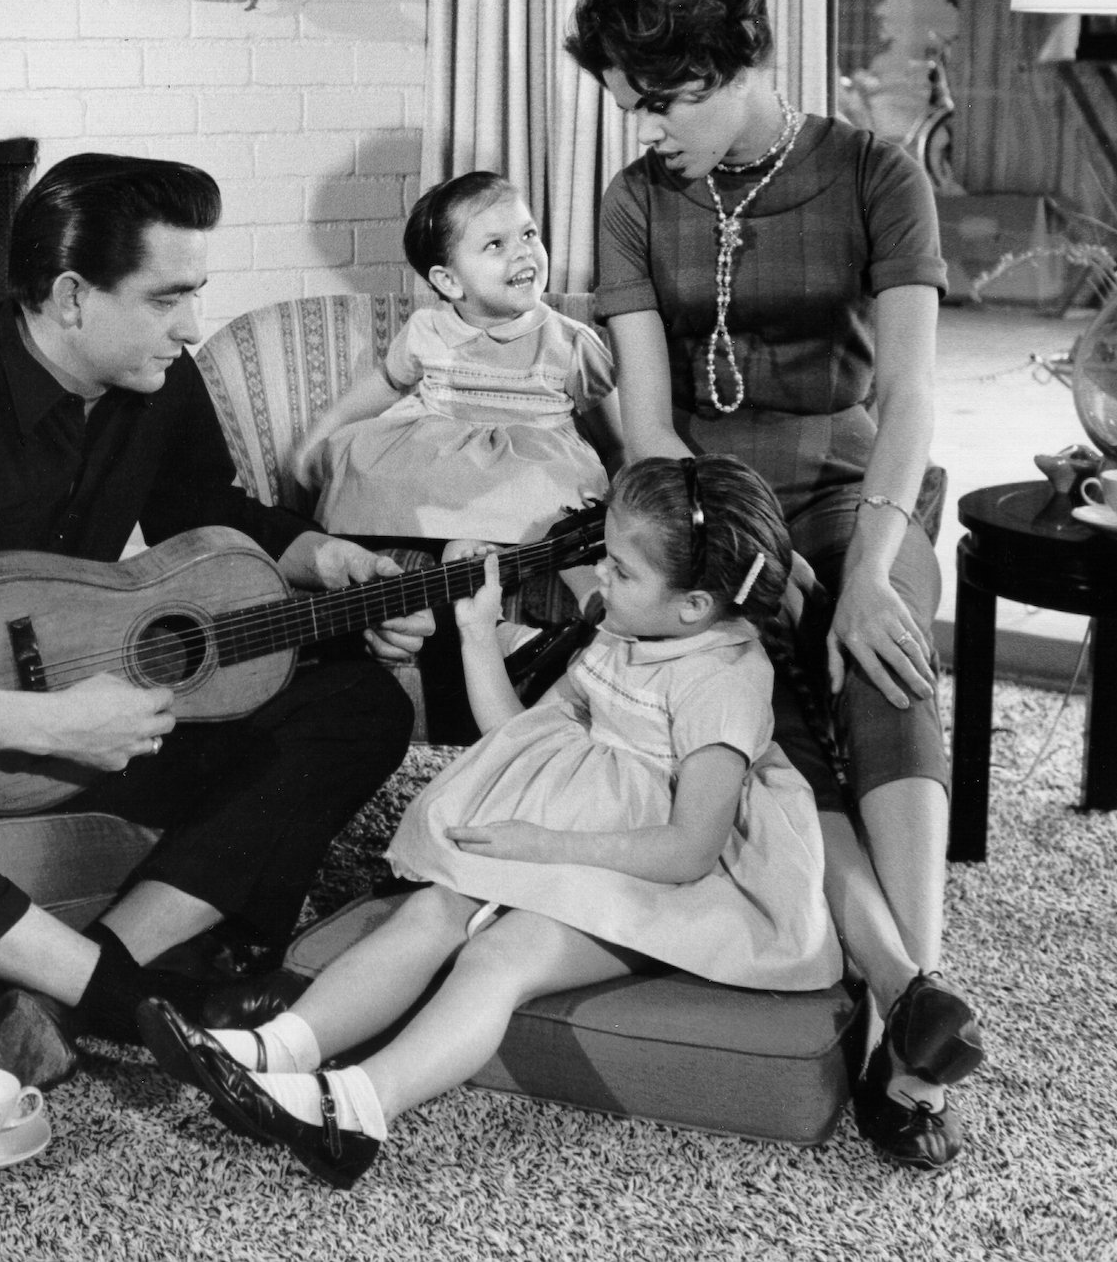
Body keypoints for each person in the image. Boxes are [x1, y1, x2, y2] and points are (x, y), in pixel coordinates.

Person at [0, 153, 433, 1089]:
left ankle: (50, 982)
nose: (191, 328)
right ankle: (116, 992)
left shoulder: (158, 380)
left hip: (107, 729)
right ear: (69, 296)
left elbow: (208, 514)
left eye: (196, 295)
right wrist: (48, 723)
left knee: (361, 703)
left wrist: (321, 560)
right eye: (166, 298)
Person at [563, 0, 984, 1170]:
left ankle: (906, 999)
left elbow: (909, 394)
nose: (644, 125)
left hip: (862, 484)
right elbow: (643, 416)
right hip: (701, 500)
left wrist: (861, 568)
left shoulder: (874, 172)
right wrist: (727, 552)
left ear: (742, 58)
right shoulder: (636, 197)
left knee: (880, 655)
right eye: (632, 101)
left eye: (663, 98)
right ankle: (907, 1014)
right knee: (760, 704)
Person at [138, 455, 837, 1189]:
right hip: (584, 835)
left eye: (622, 571)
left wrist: (541, 846)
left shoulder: (720, 680)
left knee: (502, 955)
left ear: (694, 605)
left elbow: (691, 848)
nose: (599, 577)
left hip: (665, 874)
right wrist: (475, 631)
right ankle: (272, 1051)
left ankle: (358, 1107)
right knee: (434, 908)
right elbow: (521, 735)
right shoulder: (628, 627)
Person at [297, 170, 619, 546]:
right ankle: (449, 542)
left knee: (550, 487)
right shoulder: (427, 330)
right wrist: (319, 437)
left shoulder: (570, 342)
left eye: (528, 234)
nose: (523, 252)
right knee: (360, 459)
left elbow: (617, 441)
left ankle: (476, 544)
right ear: (449, 282)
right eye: (495, 244)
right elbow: (384, 386)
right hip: (442, 461)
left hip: (529, 466)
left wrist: (621, 500)